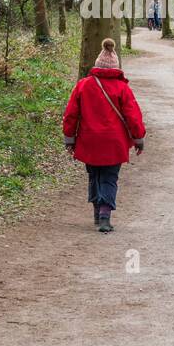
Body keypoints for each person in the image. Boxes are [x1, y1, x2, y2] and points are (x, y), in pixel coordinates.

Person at [62, 37, 145, 233]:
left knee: (94, 175)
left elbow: (71, 114)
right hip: (113, 142)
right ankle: (105, 216)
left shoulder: (83, 85)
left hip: (89, 140)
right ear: (116, 67)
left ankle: (97, 211)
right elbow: (133, 116)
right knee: (109, 177)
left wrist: (70, 138)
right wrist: (139, 138)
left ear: (97, 65)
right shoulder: (122, 88)